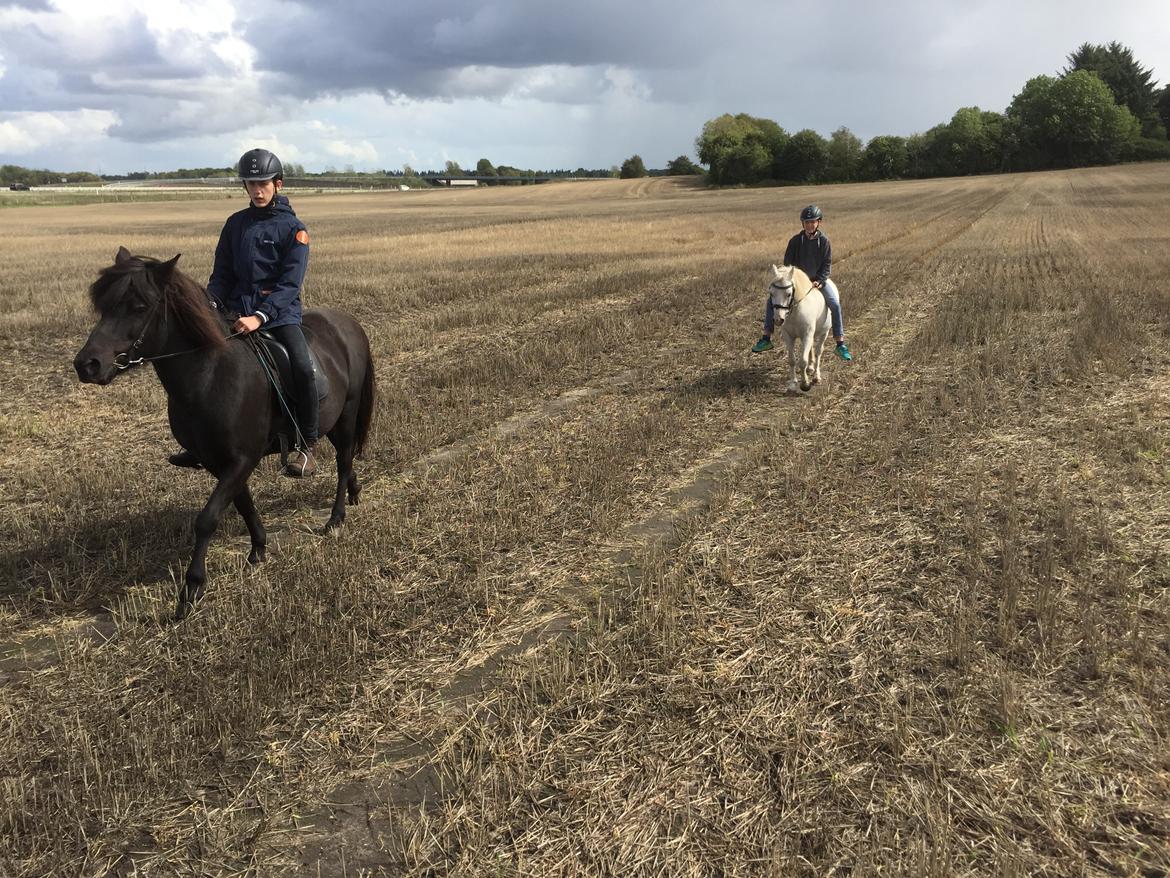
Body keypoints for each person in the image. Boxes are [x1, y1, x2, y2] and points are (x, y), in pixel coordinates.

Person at [169, 148, 320, 477]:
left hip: (279, 316)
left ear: (277, 184)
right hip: (234, 311)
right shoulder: (235, 224)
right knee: (200, 363)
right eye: (250, 183)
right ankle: (200, 442)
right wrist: (210, 304)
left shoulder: (294, 229)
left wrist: (260, 317)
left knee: (302, 367)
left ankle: (306, 444)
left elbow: (289, 285)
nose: (256, 189)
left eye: (263, 183)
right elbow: (222, 275)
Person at [751, 204, 852, 361]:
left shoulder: (824, 241)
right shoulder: (795, 241)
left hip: (817, 281)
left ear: (819, 222)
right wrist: (789, 279)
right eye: (807, 222)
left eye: (813, 222)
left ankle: (840, 343)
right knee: (771, 301)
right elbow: (787, 264)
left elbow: (827, 264)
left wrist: (820, 280)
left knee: (834, 303)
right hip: (797, 282)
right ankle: (766, 338)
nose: (810, 225)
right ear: (802, 223)